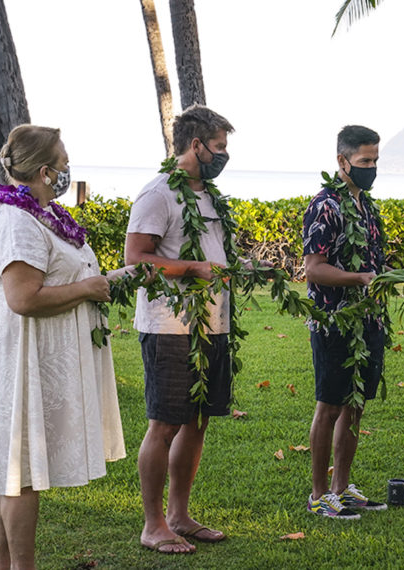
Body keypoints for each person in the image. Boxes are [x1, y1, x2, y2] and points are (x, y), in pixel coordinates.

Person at [0, 124, 127, 569]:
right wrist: (87, 289)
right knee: (19, 475)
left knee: (14, 470)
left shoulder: (38, 216)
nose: (67, 170)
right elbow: (23, 298)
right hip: (18, 361)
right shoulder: (16, 221)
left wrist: (110, 281)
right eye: (63, 164)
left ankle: (0, 563)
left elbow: (64, 276)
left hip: (36, 359)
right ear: (45, 171)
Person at [124, 104, 236, 554]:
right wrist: (190, 268)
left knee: (197, 421)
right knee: (165, 423)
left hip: (213, 323)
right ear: (196, 145)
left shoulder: (208, 195)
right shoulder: (157, 194)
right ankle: (153, 525)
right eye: (220, 147)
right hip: (169, 325)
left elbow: (214, 255)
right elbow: (136, 259)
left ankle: (179, 515)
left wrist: (242, 267)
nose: (225, 155)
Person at [302, 125, 389, 520]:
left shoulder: (366, 206)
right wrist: (360, 279)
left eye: (375, 160)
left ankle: (343, 487)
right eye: (364, 161)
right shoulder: (325, 206)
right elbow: (314, 270)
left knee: (355, 406)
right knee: (330, 406)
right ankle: (320, 493)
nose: (371, 168)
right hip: (333, 321)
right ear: (342, 161)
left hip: (368, 321)